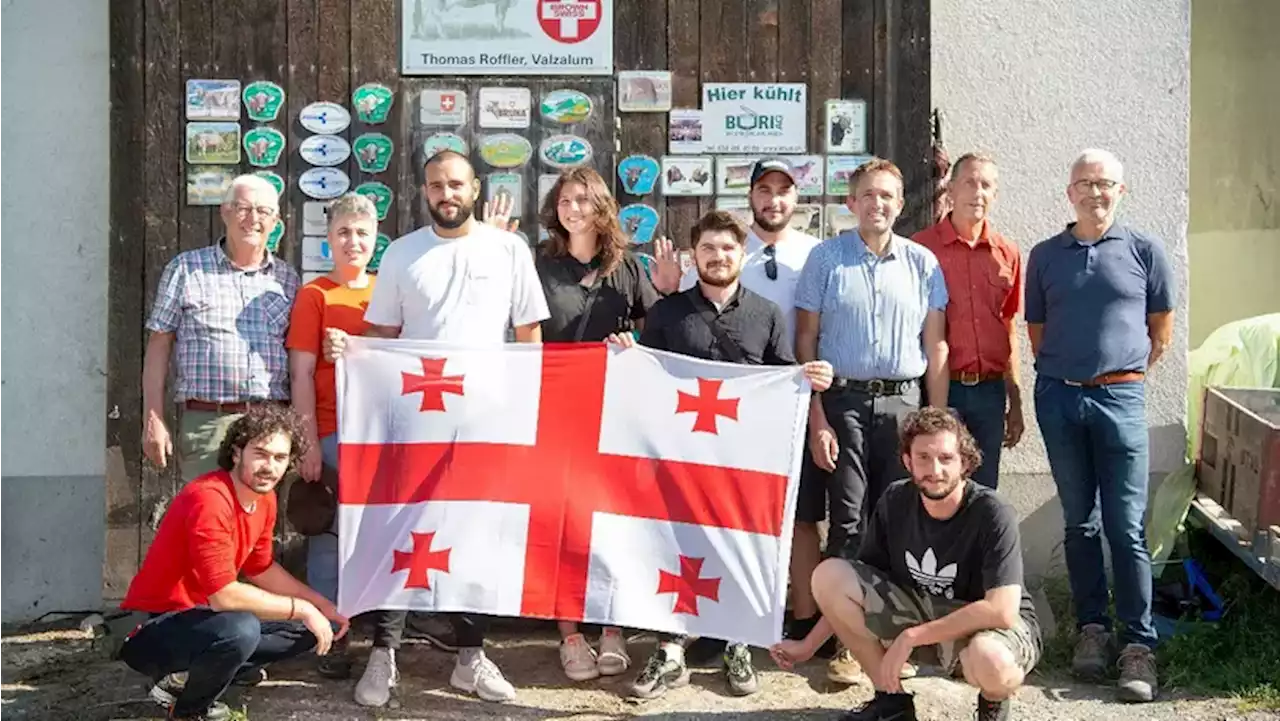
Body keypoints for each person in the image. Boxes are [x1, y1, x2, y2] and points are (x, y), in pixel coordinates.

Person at [324, 149, 550, 707]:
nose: (445, 194)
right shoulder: (402, 253)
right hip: (415, 422)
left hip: (485, 421)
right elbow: (378, 333)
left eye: (455, 184)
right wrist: (348, 348)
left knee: (475, 536)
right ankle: (384, 654)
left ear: (475, 188)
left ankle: (471, 658)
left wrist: (526, 412)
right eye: (434, 186)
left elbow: (529, 336)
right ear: (423, 192)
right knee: (405, 530)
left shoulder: (509, 249)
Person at [612, 210, 834, 700]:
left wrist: (809, 379)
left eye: (728, 249)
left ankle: (739, 639)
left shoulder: (767, 314)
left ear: (742, 255)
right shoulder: (669, 313)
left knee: (739, 546)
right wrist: (627, 352)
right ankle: (670, 647)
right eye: (708, 249)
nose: (718, 256)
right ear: (695, 257)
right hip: (680, 458)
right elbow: (646, 378)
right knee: (673, 547)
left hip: (742, 461)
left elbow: (784, 381)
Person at [771, 407, 1041, 721]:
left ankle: (993, 707)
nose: (934, 469)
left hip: (986, 624)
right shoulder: (895, 500)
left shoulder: (992, 511)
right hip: (921, 610)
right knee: (830, 575)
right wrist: (808, 645)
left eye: (946, 458)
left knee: (991, 660)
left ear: (965, 462)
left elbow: (1001, 610)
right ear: (907, 461)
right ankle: (891, 701)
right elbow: (859, 584)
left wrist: (911, 638)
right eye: (923, 457)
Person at [1026, 148, 1174, 703]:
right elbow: (1038, 333)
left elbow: (1160, 331)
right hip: (1060, 400)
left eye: (1105, 183)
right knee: (1079, 522)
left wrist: (1118, 375)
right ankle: (1093, 630)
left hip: (1121, 399)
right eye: (1085, 183)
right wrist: (1071, 376)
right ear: (1069, 193)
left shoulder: (1144, 250)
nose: (1095, 192)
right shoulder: (1045, 256)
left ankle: (1139, 646)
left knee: (1126, 527)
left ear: (1121, 191)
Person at [794, 157, 949, 683]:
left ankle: (892, 636)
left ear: (900, 204)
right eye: (867, 195)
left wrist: (936, 421)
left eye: (887, 195)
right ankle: (844, 640)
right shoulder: (825, 259)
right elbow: (805, 343)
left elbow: (935, 343)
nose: (877, 204)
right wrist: (817, 417)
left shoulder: (923, 263)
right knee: (848, 519)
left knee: (902, 520)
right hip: (844, 404)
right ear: (851, 202)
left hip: (906, 405)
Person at [521, 166, 680, 680]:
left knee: (612, 522)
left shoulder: (628, 269)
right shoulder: (538, 265)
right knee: (563, 523)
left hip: (617, 414)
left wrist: (664, 303)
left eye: (584, 200)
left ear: (602, 208)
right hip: (555, 413)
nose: (574, 209)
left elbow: (657, 337)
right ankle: (570, 633)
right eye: (565, 200)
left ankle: (611, 628)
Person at [677, 158, 833, 661]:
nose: (773, 200)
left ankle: (803, 617)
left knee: (801, 515)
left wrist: (815, 402)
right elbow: (687, 321)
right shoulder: (726, 253)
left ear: (796, 198)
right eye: (763, 190)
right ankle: (722, 624)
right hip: (721, 413)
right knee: (726, 517)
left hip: (791, 405)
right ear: (751, 197)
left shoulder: (817, 255)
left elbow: (816, 331)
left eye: (783, 191)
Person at [117, 406, 349, 721]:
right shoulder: (209, 499)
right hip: (154, 627)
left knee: (318, 624)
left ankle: (198, 674)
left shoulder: (263, 498)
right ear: (237, 452)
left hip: (206, 619)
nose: (270, 467)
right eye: (261, 454)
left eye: (280, 458)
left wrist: (321, 604)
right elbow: (224, 596)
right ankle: (188, 710)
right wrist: (303, 607)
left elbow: (261, 568)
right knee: (241, 628)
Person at [142, 174, 300, 484]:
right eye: (242, 207)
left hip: (270, 427)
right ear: (224, 212)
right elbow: (159, 345)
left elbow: (299, 358)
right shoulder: (186, 269)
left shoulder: (288, 279)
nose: (252, 218)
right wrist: (153, 417)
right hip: (208, 424)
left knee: (259, 524)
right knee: (208, 521)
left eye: (263, 211)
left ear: (276, 220)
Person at [284, 192, 378, 680]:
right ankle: (334, 635)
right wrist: (306, 443)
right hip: (332, 432)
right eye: (344, 233)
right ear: (329, 241)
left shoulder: (386, 292)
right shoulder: (315, 295)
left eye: (362, 232)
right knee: (328, 539)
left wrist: (362, 346)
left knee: (377, 536)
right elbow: (300, 373)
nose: (353, 241)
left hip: (381, 436)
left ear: (375, 238)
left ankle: (380, 633)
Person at [913, 153, 1025, 489]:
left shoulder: (1006, 252)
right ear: (950, 189)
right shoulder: (922, 248)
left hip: (990, 392)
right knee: (939, 485)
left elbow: (1009, 327)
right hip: (942, 388)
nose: (978, 192)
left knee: (984, 490)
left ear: (996, 194)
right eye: (970, 183)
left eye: (986, 185)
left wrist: (1015, 399)